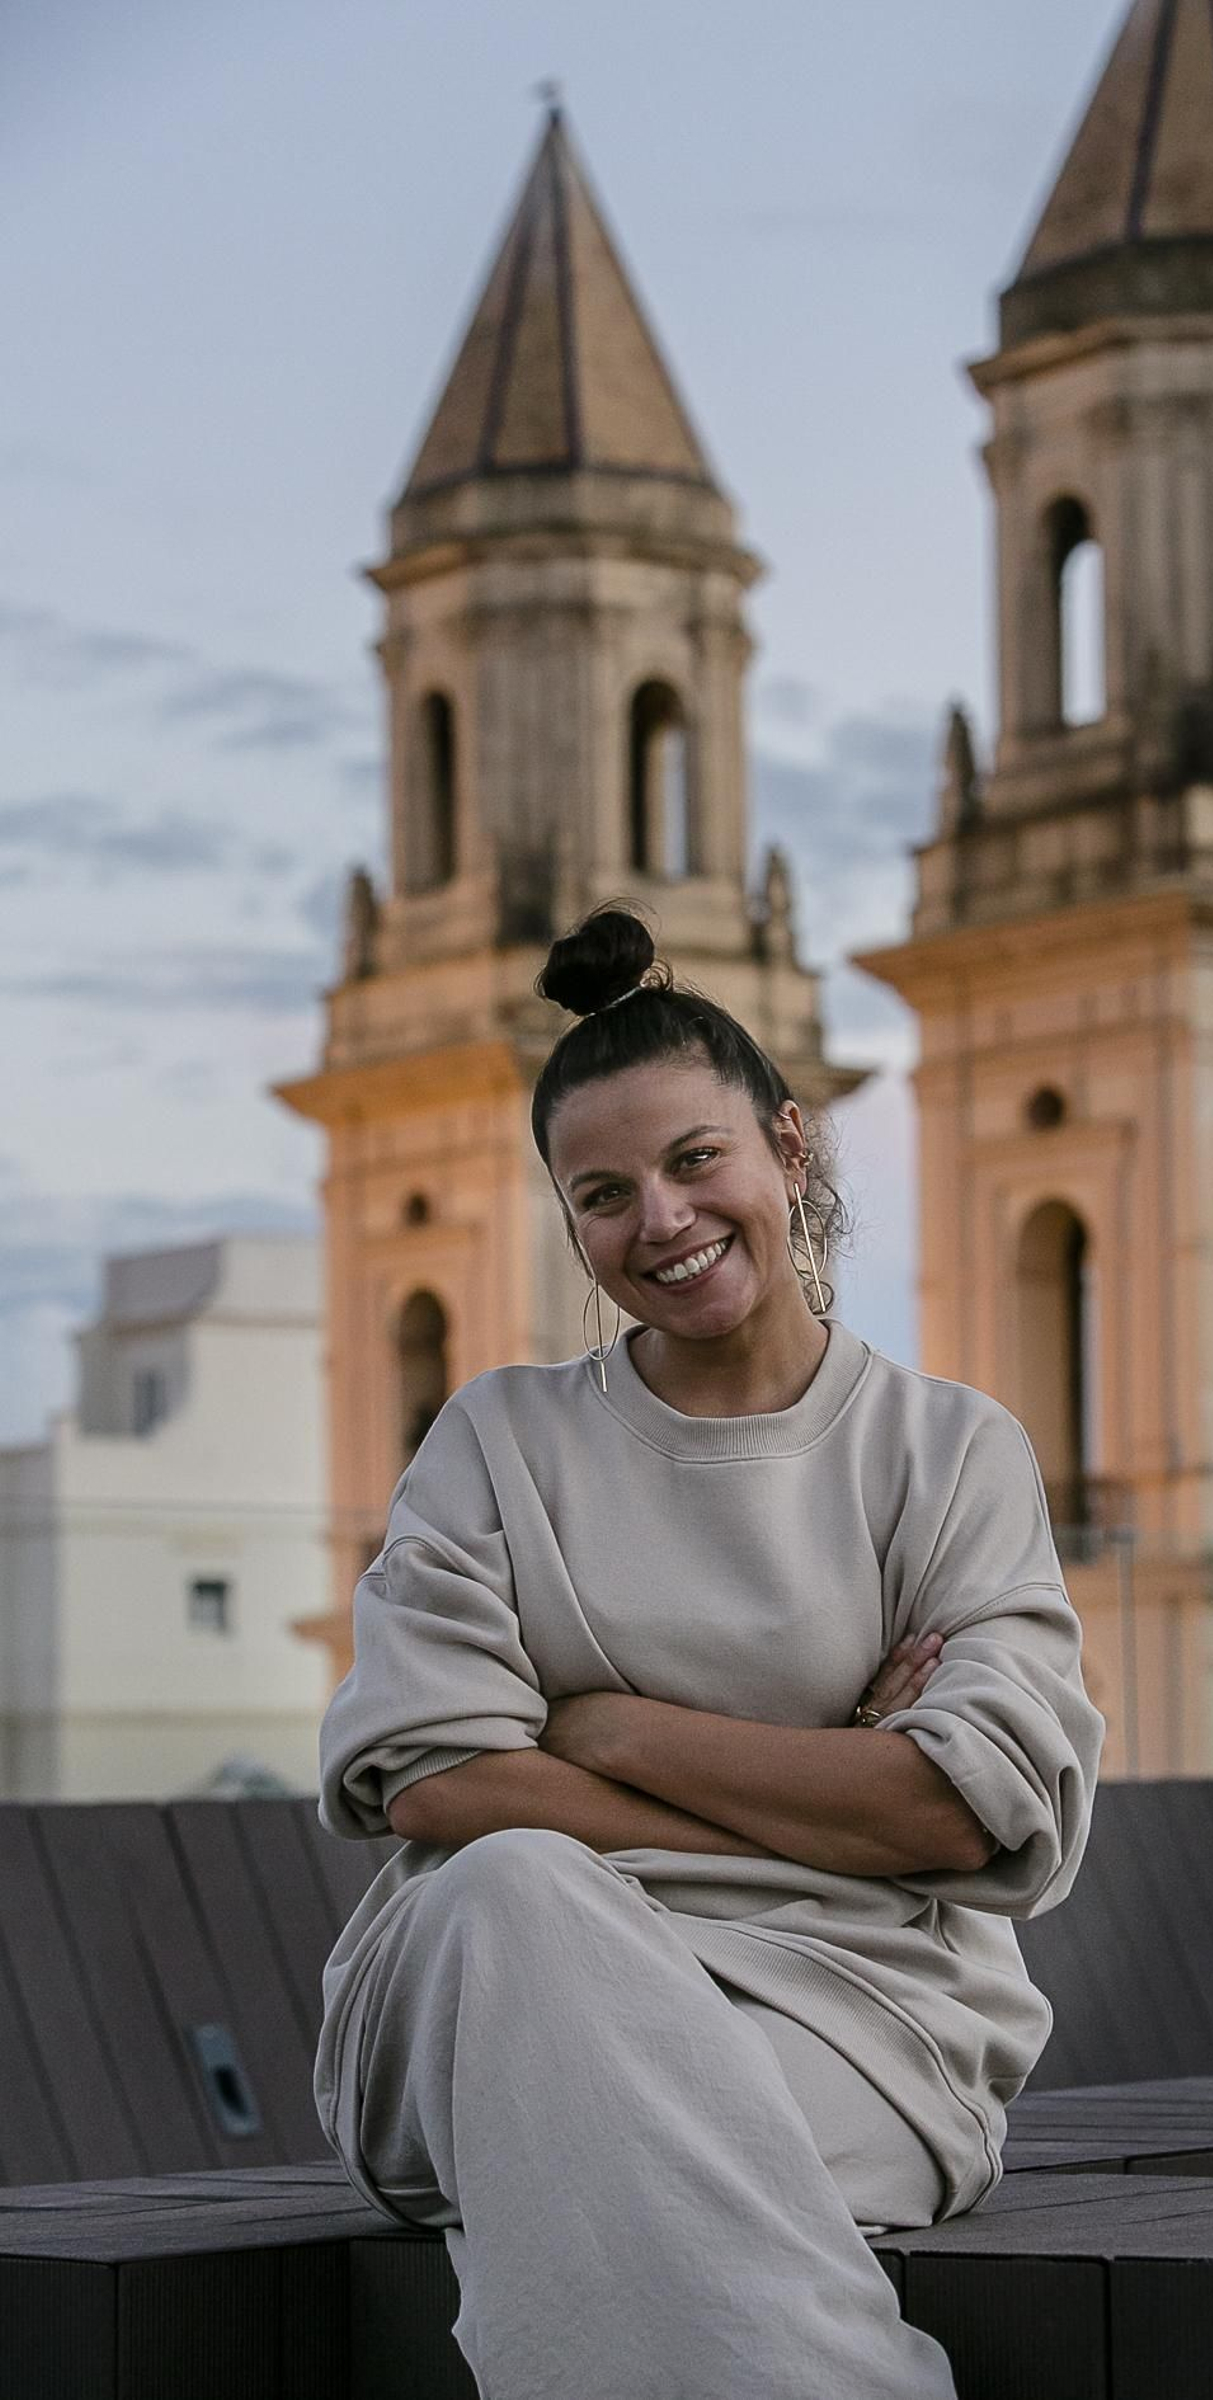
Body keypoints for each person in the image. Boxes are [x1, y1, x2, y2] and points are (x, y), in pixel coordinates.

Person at [314, 900, 1105, 2400]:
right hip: (483, 1999)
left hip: (850, 2017)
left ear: (787, 1150)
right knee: (516, 1889)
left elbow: (963, 1808)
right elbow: (433, 1784)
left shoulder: (945, 1453)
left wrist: (601, 1732)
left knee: (615, 2143)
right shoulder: (498, 1436)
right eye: (602, 1193)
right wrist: (830, 1795)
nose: (659, 1222)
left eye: (694, 1162)